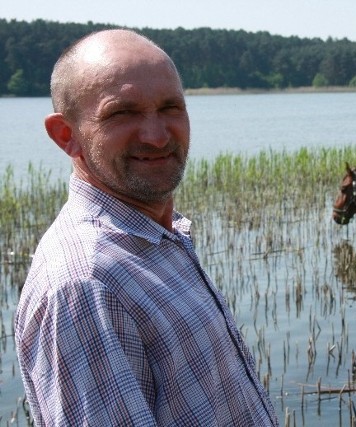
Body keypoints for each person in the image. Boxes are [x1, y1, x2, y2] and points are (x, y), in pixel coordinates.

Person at [14, 29, 278, 426]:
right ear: (66, 135)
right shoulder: (85, 284)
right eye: (122, 113)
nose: (157, 137)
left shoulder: (156, 236)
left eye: (171, 107)